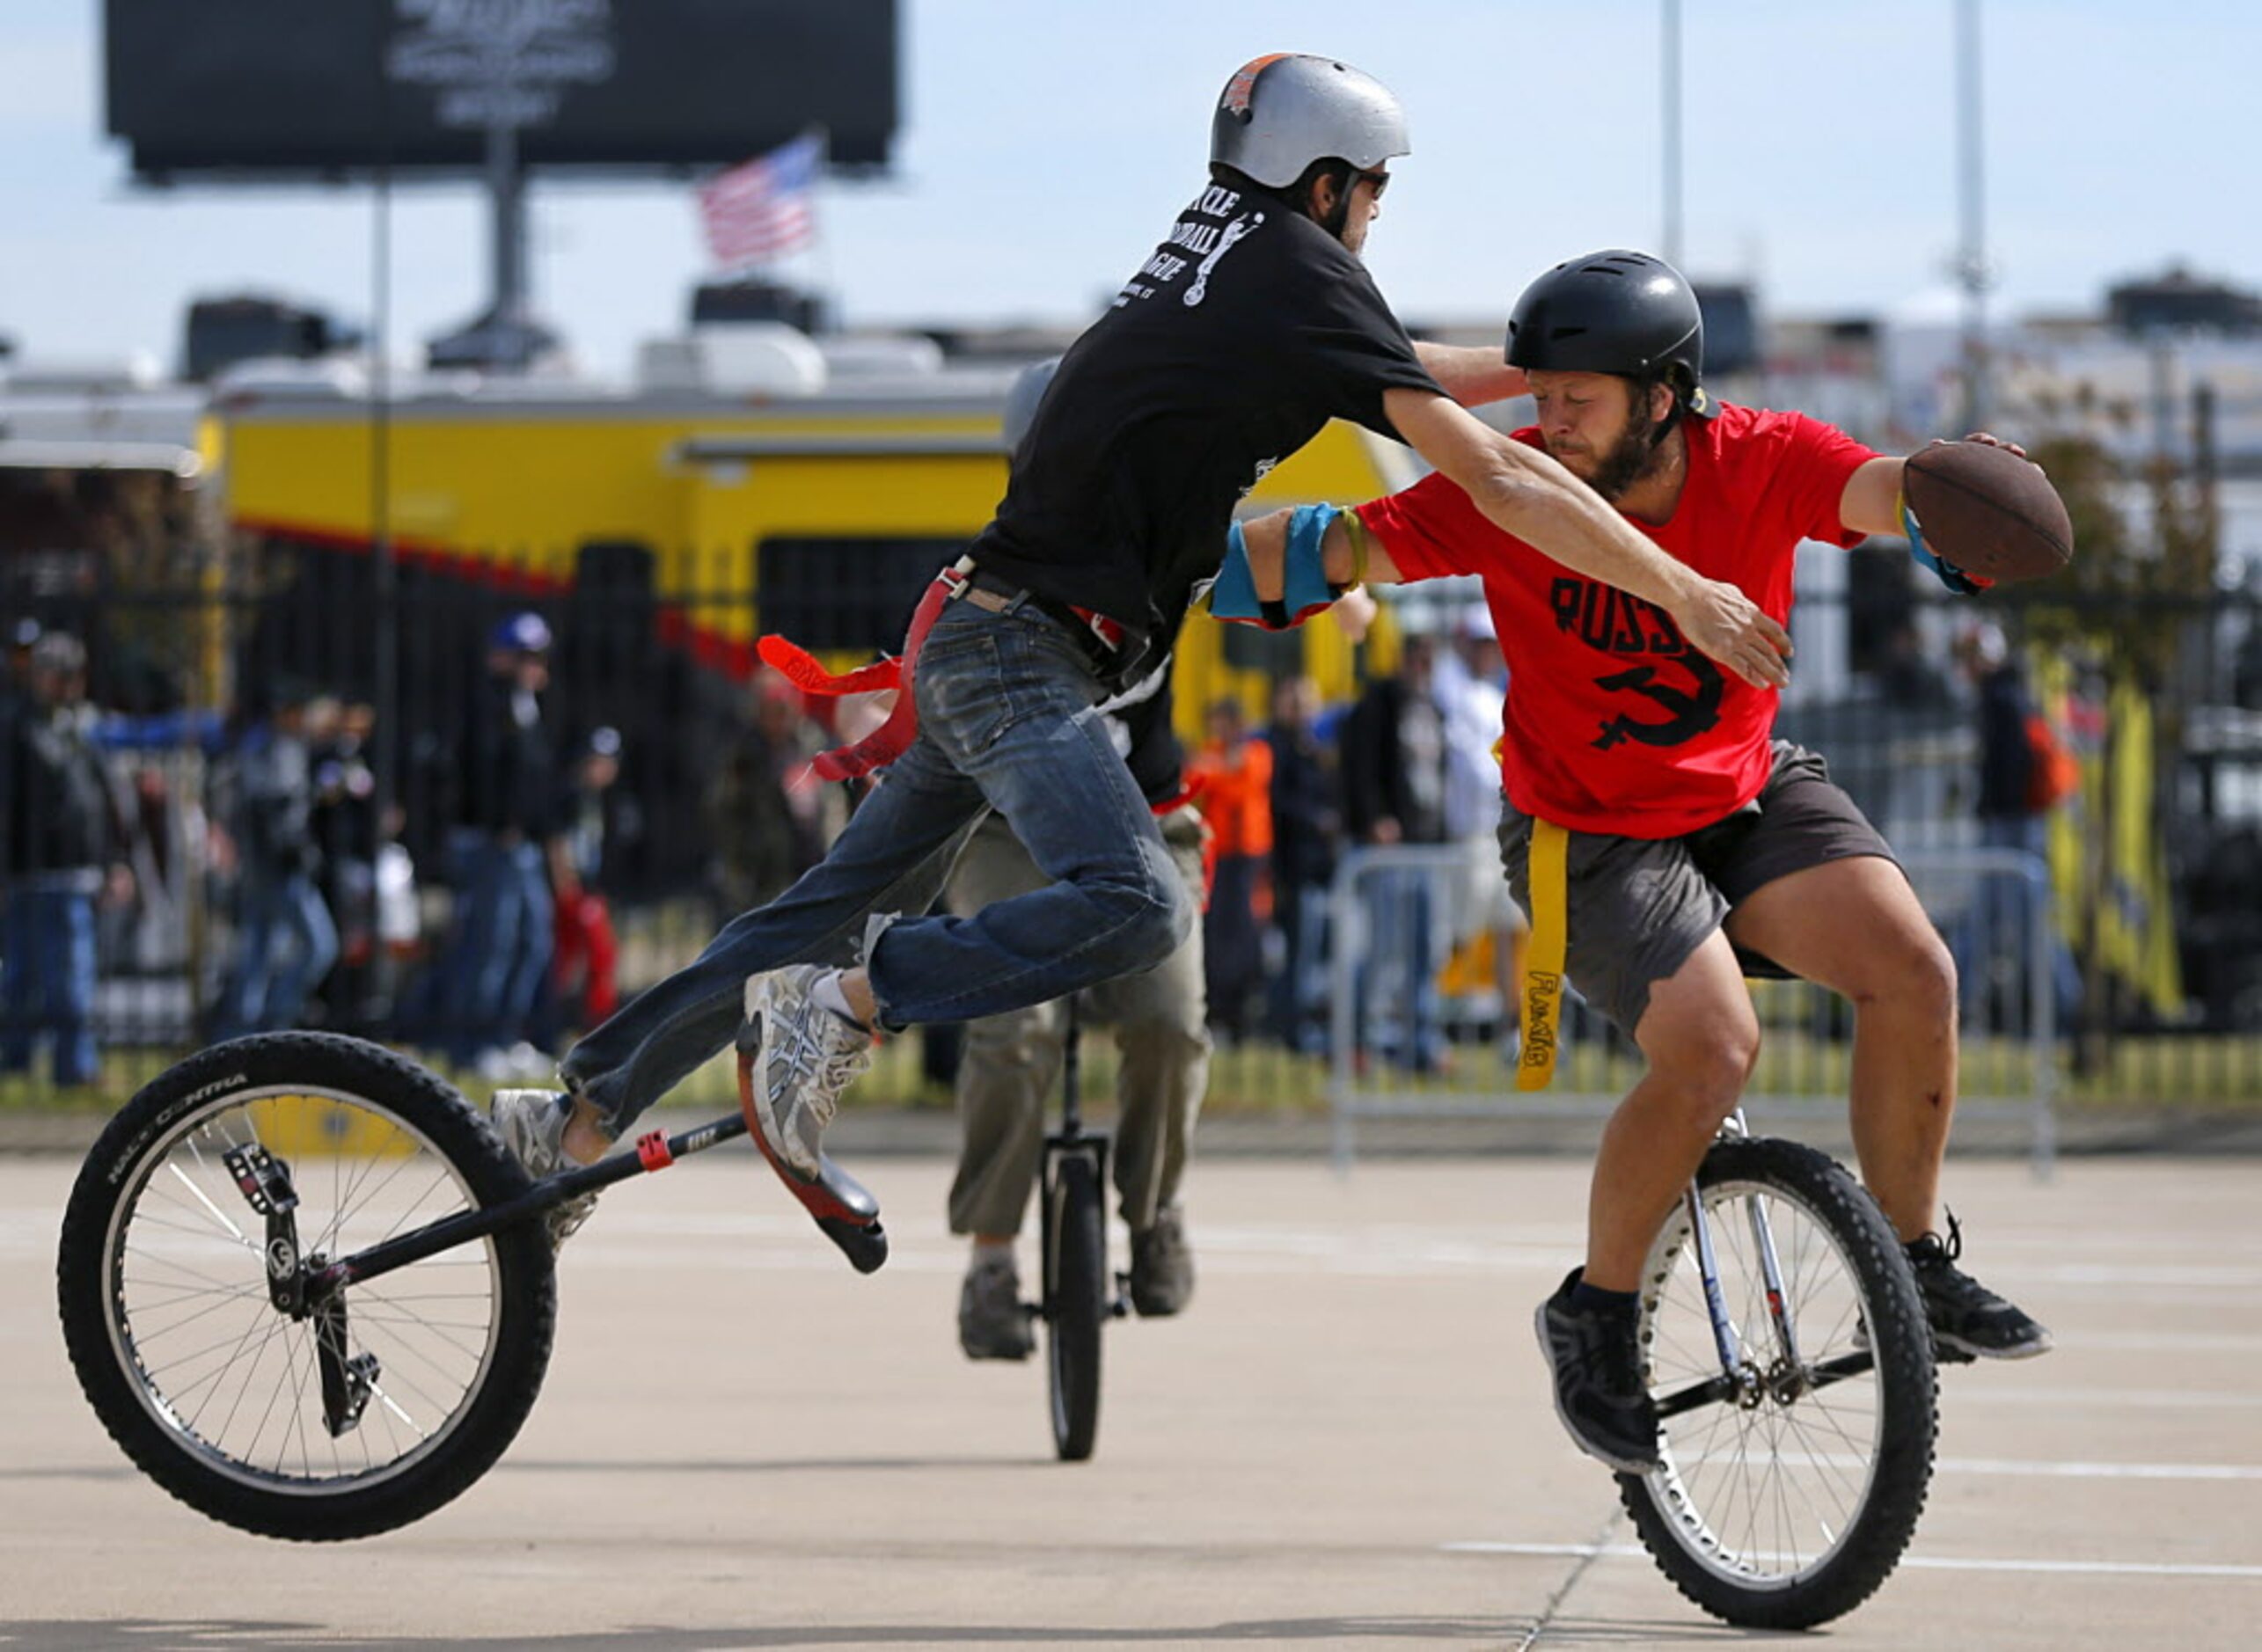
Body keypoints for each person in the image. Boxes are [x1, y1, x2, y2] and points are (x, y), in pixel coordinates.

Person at [502, 59, 1791, 1258]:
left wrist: (1545, 372)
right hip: (1024, 655)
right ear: (1327, 182)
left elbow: (1405, 371)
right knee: (1135, 904)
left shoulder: (1223, 244)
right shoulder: (1298, 266)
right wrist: (1681, 589)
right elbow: (1494, 473)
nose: (1377, 216)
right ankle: (841, 1005)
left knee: (808, 907)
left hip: (985, 631)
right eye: (1375, 191)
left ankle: (567, 1118)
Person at [1236, 249, 2051, 1474]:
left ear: (1663, 395)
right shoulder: (1501, 491)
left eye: (1578, 396)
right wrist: (1171, 541)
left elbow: (1885, 495)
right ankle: (1595, 1312)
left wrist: (1956, 505)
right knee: (1712, 1049)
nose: (1543, 419)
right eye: (1538, 391)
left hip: (1738, 789)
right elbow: (1322, 555)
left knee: (1915, 970)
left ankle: (1910, 1257)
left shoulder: (1764, 460)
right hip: (1587, 831)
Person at [435, 612, 563, 1079]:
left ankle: (508, 1034)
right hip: (494, 845)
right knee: (491, 943)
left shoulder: (527, 705)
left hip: (523, 846)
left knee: (533, 940)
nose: (536, 666)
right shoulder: (486, 705)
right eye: (527, 656)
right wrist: (499, 823)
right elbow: (479, 773)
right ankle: (473, 1043)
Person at [0, 632, 132, 1087]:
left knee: (72, 975)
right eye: (58, 674)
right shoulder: (16, 727)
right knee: (22, 977)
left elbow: (103, 801)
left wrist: (117, 861)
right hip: (29, 872)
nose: (67, 684)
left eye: (73, 674)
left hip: (78, 874)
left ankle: (72, 1067)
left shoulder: (85, 728)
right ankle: (15, 1064)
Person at [1950, 622, 2080, 1034]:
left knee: (2009, 923)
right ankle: (2062, 1008)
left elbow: (2007, 768)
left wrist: (1988, 805)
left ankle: (2063, 1009)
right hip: (2020, 823)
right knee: (2020, 923)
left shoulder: (1999, 699)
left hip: (2009, 824)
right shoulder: (2015, 694)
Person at [1338, 631, 1451, 1071]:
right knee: (1383, 948)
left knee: (1424, 949)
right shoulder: (1380, 702)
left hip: (1426, 845)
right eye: (1418, 656)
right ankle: (1359, 1041)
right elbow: (1360, 765)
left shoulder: (1433, 707)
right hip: (1392, 848)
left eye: (1429, 658)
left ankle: (1418, 1044)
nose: (1423, 666)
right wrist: (1374, 817)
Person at [211, 685, 340, 1038]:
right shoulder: (272, 748)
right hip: (279, 868)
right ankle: (271, 1025)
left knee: (259, 954)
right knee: (319, 945)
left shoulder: (275, 746)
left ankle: (241, 1035)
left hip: (265, 868)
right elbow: (272, 805)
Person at [1263, 675, 1341, 1053]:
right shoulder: (1273, 747)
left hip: (1316, 867)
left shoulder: (1314, 748)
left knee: (1310, 952)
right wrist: (1316, 820)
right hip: (1289, 867)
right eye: (1295, 699)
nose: (1302, 707)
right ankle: (1291, 1030)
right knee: (1298, 954)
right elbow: (1277, 803)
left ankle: (1299, 1023)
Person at [1186, 695, 1270, 1044]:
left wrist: (1221, 769)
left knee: (1247, 933)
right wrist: (1221, 768)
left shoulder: (1257, 752)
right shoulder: (1212, 753)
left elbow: (1243, 780)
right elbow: (1197, 780)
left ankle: (1243, 1010)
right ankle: (1218, 1008)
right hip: (1219, 854)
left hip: (1250, 856)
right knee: (1218, 934)